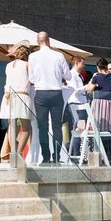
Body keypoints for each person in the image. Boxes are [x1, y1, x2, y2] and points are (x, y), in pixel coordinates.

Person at [28, 31, 71, 164]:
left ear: (38, 41)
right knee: (57, 126)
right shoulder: (59, 55)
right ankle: (57, 156)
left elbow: (31, 78)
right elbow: (68, 76)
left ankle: (46, 157)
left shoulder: (33, 56)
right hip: (56, 93)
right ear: (49, 41)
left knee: (42, 127)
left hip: (41, 93)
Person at [0, 41, 33, 159]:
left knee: (12, 127)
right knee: (26, 127)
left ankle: (13, 152)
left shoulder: (8, 66)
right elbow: (33, 80)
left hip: (9, 96)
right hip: (22, 96)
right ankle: (18, 153)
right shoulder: (27, 65)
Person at [87, 58, 111, 164]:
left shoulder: (96, 77)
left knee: (98, 130)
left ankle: (99, 156)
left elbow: (88, 90)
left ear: (98, 67)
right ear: (106, 67)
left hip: (98, 104)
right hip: (110, 104)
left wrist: (96, 86)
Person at [65, 55, 88, 158]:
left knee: (79, 129)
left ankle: (76, 154)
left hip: (80, 104)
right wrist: (88, 86)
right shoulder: (72, 74)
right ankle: (75, 155)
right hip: (76, 104)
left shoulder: (78, 76)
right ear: (77, 63)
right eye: (82, 63)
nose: (84, 65)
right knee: (78, 130)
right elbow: (74, 91)